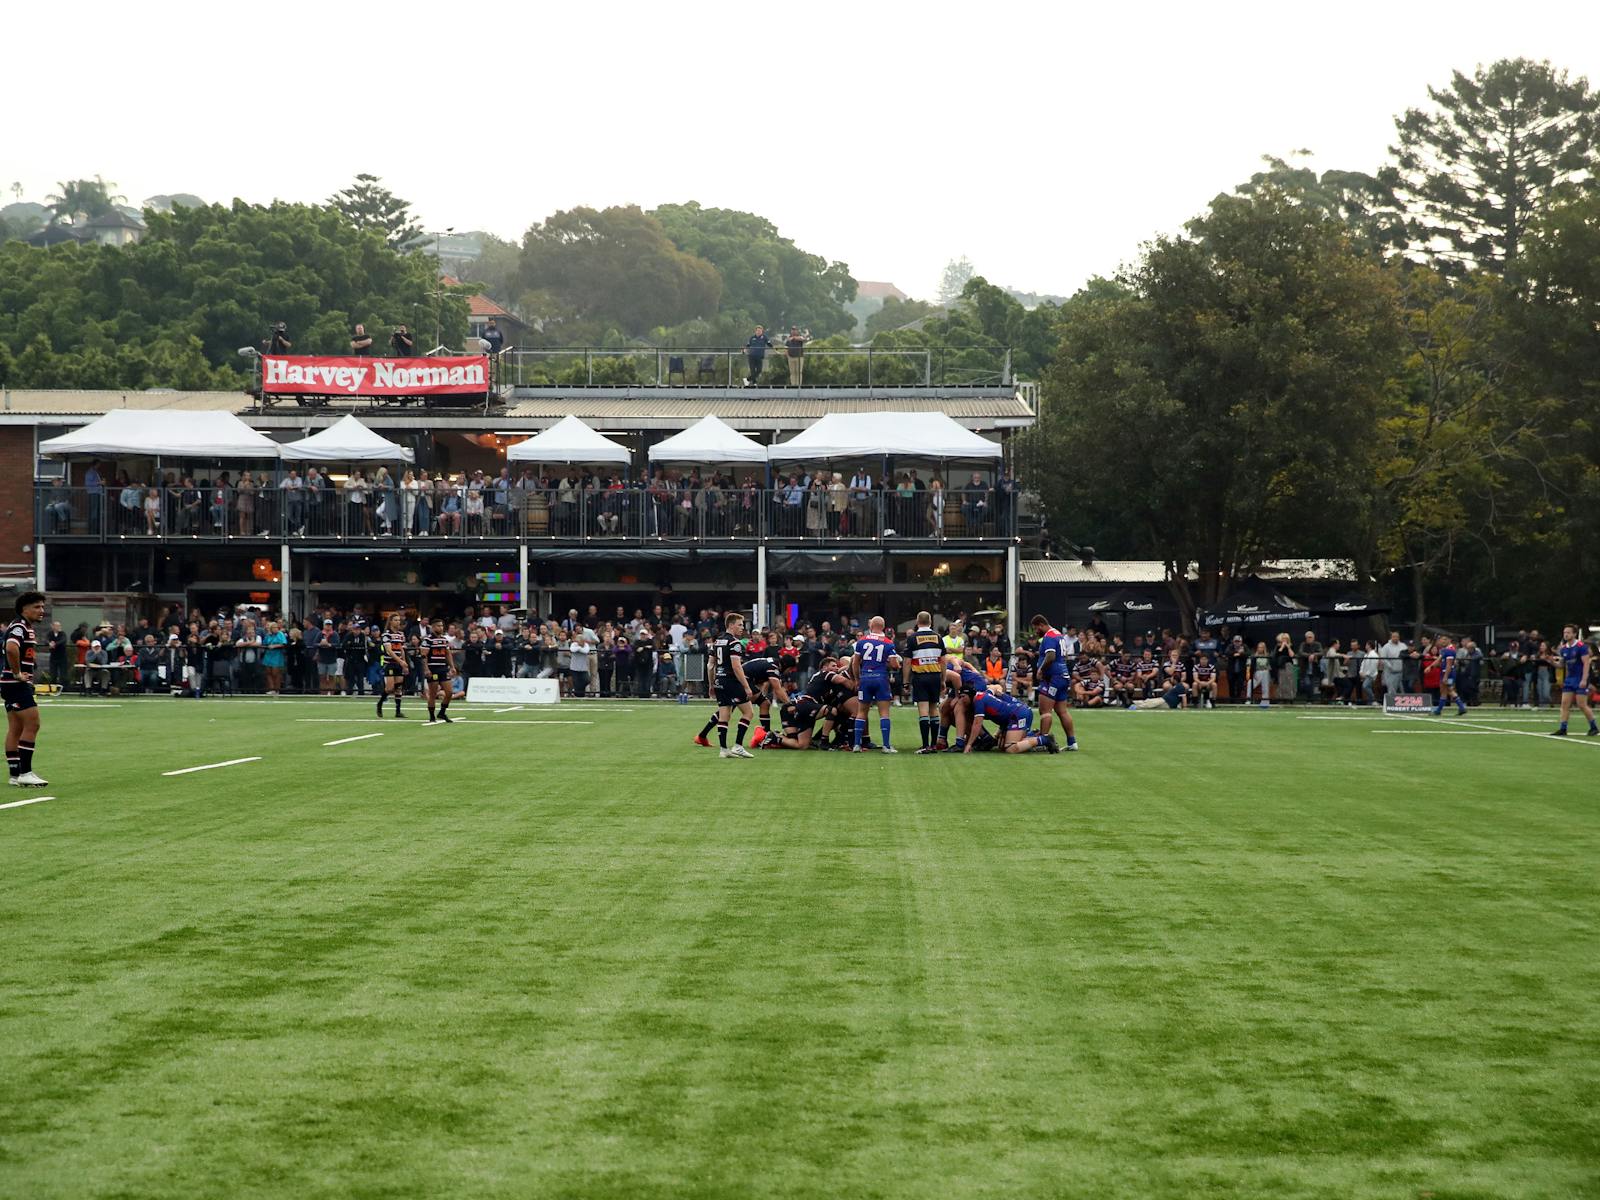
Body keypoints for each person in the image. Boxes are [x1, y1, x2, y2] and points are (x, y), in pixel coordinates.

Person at [4, 591, 48, 788]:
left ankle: (14, 774)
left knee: (15, 728)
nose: (42, 611)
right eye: (37, 607)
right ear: (24, 609)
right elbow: (11, 648)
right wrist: (17, 673)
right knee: (33, 724)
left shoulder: (24, 627)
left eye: (42, 607)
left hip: (10, 684)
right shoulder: (20, 627)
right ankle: (25, 772)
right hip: (16, 684)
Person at [850, 615, 902, 753]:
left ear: (870, 626)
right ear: (883, 627)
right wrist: (895, 664)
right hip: (881, 678)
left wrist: (857, 679)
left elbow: (855, 663)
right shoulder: (888, 642)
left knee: (861, 712)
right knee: (884, 712)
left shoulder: (861, 641)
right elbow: (894, 664)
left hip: (865, 678)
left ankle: (856, 745)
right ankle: (886, 746)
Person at [1029, 615, 1080, 750]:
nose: (1035, 632)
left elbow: (1050, 656)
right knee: (1062, 711)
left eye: (1035, 629)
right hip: (1063, 676)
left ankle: (1043, 742)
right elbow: (1064, 656)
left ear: (1040, 625)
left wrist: (1041, 669)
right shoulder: (1058, 634)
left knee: (1045, 711)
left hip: (1052, 678)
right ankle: (1072, 742)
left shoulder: (1049, 637)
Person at [709, 613, 757, 758]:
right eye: (740, 624)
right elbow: (737, 666)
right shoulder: (734, 643)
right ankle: (738, 746)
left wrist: (711, 684)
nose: (742, 628)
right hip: (731, 681)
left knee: (724, 715)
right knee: (749, 713)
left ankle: (724, 749)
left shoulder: (717, 641)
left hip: (719, 681)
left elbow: (711, 665)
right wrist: (747, 686)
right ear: (731, 625)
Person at [902, 612, 945, 753]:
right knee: (934, 709)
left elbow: (907, 662)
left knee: (923, 710)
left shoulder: (913, 638)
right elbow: (943, 660)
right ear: (931, 622)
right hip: (935, 676)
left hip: (920, 677)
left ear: (917, 621)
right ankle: (933, 745)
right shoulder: (938, 638)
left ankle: (925, 745)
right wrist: (943, 679)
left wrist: (905, 682)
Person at [967, 688, 1056, 753]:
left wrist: (969, 744)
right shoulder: (984, 694)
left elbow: (977, 724)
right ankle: (1034, 735)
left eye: (962, 697)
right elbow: (994, 689)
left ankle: (1044, 739)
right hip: (1016, 714)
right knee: (1001, 745)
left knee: (1010, 748)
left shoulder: (979, 700)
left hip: (1018, 714)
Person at [1552, 624, 1598, 736]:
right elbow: (1562, 665)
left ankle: (1594, 727)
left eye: (1568, 632)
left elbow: (1586, 663)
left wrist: (1584, 679)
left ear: (1574, 634)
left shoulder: (1581, 646)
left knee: (1581, 704)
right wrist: (1551, 661)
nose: (1566, 634)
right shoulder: (1564, 649)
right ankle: (1563, 728)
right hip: (1570, 679)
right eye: (1564, 632)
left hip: (1580, 678)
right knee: (1564, 704)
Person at [424, 618, 455, 723]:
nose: (441, 628)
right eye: (438, 626)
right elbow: (424, 656)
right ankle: (432, 716)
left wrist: (452, 666)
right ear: (433, 627)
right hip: (433, 669)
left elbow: (448, 654)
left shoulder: (444, 639)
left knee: (449, 692)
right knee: (433, 693)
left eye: (442, 626)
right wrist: (426, 669)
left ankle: (442, 712)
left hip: (443, 668)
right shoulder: (427, 640)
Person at [378, 614, 409, 718]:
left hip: (399, 663)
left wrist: (404, 663)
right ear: (390, 621)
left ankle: (398, 711)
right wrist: (400, 661)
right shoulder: (386, 635)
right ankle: (380, 703)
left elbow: (401, 649)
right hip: (389, 663)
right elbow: (389, 651)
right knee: (390, 688)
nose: (398, 622)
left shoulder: (401, 634)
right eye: (395, 620)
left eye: (399, 620)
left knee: (399, 687)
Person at [1433, 635, 1468, 717]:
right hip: (1446, 672)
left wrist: (1445, 676)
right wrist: (1432, 666)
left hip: (1447, 673)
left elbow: (1449, 665)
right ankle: (1460, 707)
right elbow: (1440, 661)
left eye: (1444, 639)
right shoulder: (1445, 650)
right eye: (1441, 639)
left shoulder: (1449, 650)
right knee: (1447, 690)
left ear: (1449, 640)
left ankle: (1439, 710)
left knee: (1447, 690)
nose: (1442, 641)